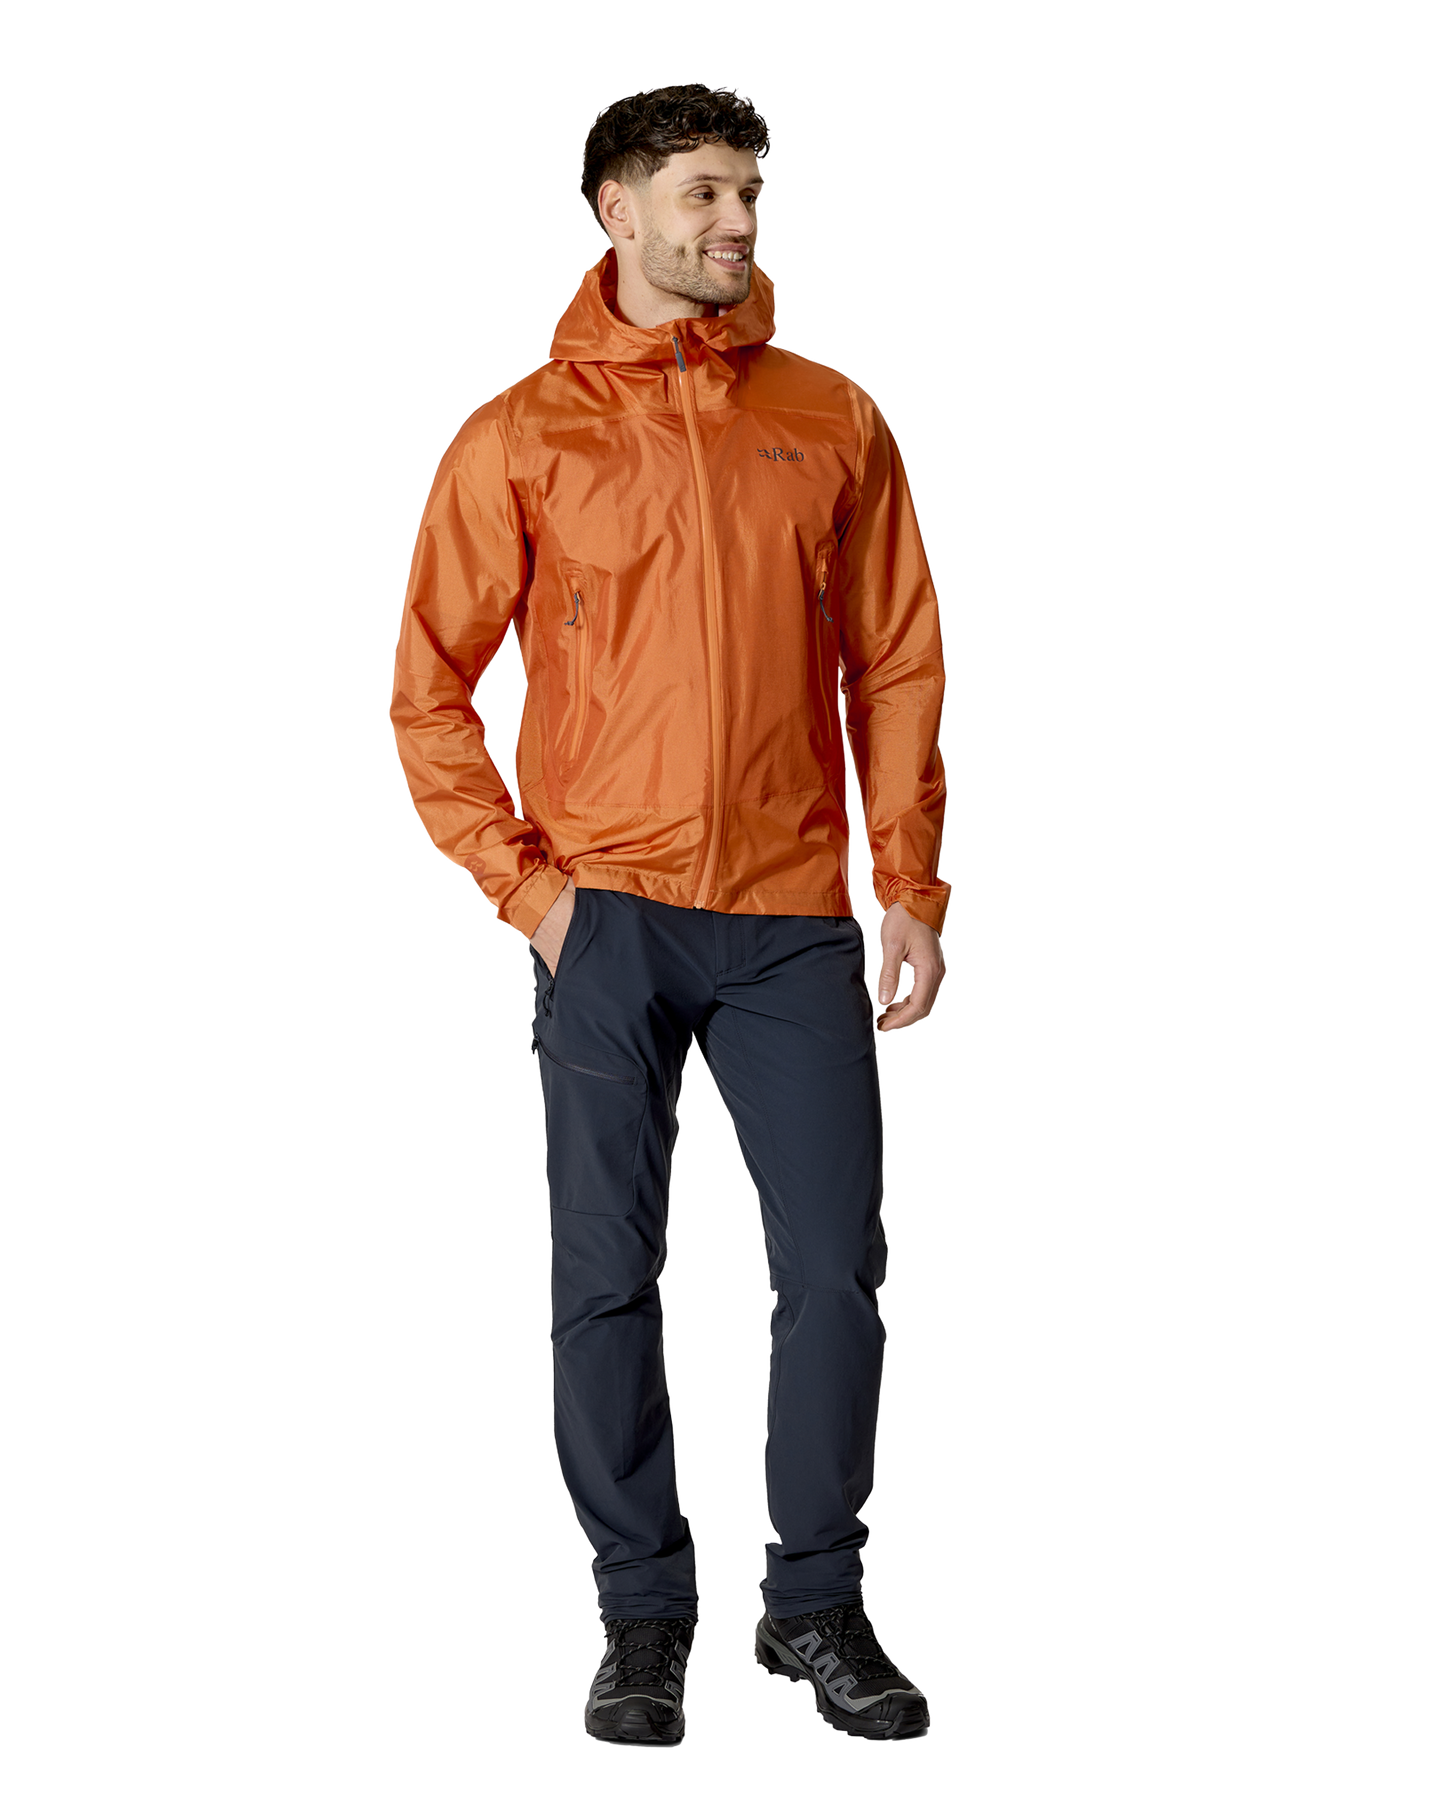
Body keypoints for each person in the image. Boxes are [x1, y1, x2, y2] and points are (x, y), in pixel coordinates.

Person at [388, 80, 952, 1750]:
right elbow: (427, 687)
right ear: (616, 210)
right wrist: (530, 891)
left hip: (795, 919)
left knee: (836, 1271)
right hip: (607, 919)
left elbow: (898, 664)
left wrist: (909, 885)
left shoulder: (833, 416)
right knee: (604, 1281)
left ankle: (815, 1606)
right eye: (705, 192)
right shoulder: (519, 434)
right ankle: (641, 1618)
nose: (738, 221)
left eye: (751, 193)